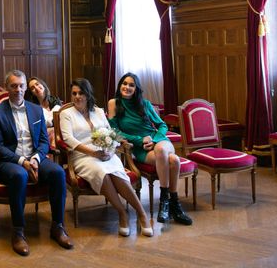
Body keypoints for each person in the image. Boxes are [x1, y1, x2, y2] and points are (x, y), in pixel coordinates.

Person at [0, 69, 73, 256]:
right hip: (9, 161)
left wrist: (35, 158)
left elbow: (43, 141)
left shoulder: (36, 110)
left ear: (26, 87)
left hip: (35, 158)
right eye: (13, 86)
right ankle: (18, 231)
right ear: (6, 88)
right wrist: (22, 161)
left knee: (58, 172)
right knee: (19, 175)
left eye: (21, 86)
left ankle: (57, 226)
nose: (18, 89)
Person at [59, 78, 153, 237]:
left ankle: (142, 213)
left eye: (81, 93)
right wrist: (93, 153)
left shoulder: (98, 111)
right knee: (101, 172)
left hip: (106, 152)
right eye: (74, 93)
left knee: (116, 173)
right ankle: (122, 213)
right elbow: (68, 139)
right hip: (83, 156)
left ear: (87, 94)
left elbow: (111, 133)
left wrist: (110, 150)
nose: (77, 97)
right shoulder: (66, 114)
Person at [107, 73, 192, 226]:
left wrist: (153, 140)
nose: (127, 87)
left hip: (159, 141)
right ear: (120, 85)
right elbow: (115, 132)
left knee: (162, 151)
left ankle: (164, 202)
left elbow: (162, 125)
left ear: (136, 89)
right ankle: (175, 205)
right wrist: (140, 140)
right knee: (174, 160)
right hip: (140, 149)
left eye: (131, 85)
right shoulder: (114, 103)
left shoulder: (144, 104)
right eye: (124, 83)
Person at [25, 76, 62, 144]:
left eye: (37, 84)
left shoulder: (56, 101)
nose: (36, 88)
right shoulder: (33, 107)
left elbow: (60, 120)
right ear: (31, 93)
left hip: (59, 132)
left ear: (43, 84)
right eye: (32, 88)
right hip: (42, 136)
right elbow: (38, 126)